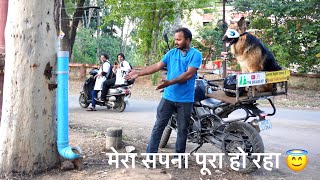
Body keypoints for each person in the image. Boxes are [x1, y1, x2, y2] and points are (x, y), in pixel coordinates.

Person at [126, 28, 202, 154]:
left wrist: (170, 82)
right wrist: (139, 73)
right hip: (168, 97)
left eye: (179, 39)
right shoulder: (171, 53)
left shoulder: (196, 54)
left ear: (187, 40)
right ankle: (150, 155)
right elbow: (156, 66)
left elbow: (189, 74)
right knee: (158, 127)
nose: (176, 42)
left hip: (185, 99)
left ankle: (179, 157)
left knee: (182, 130)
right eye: (175, 40)